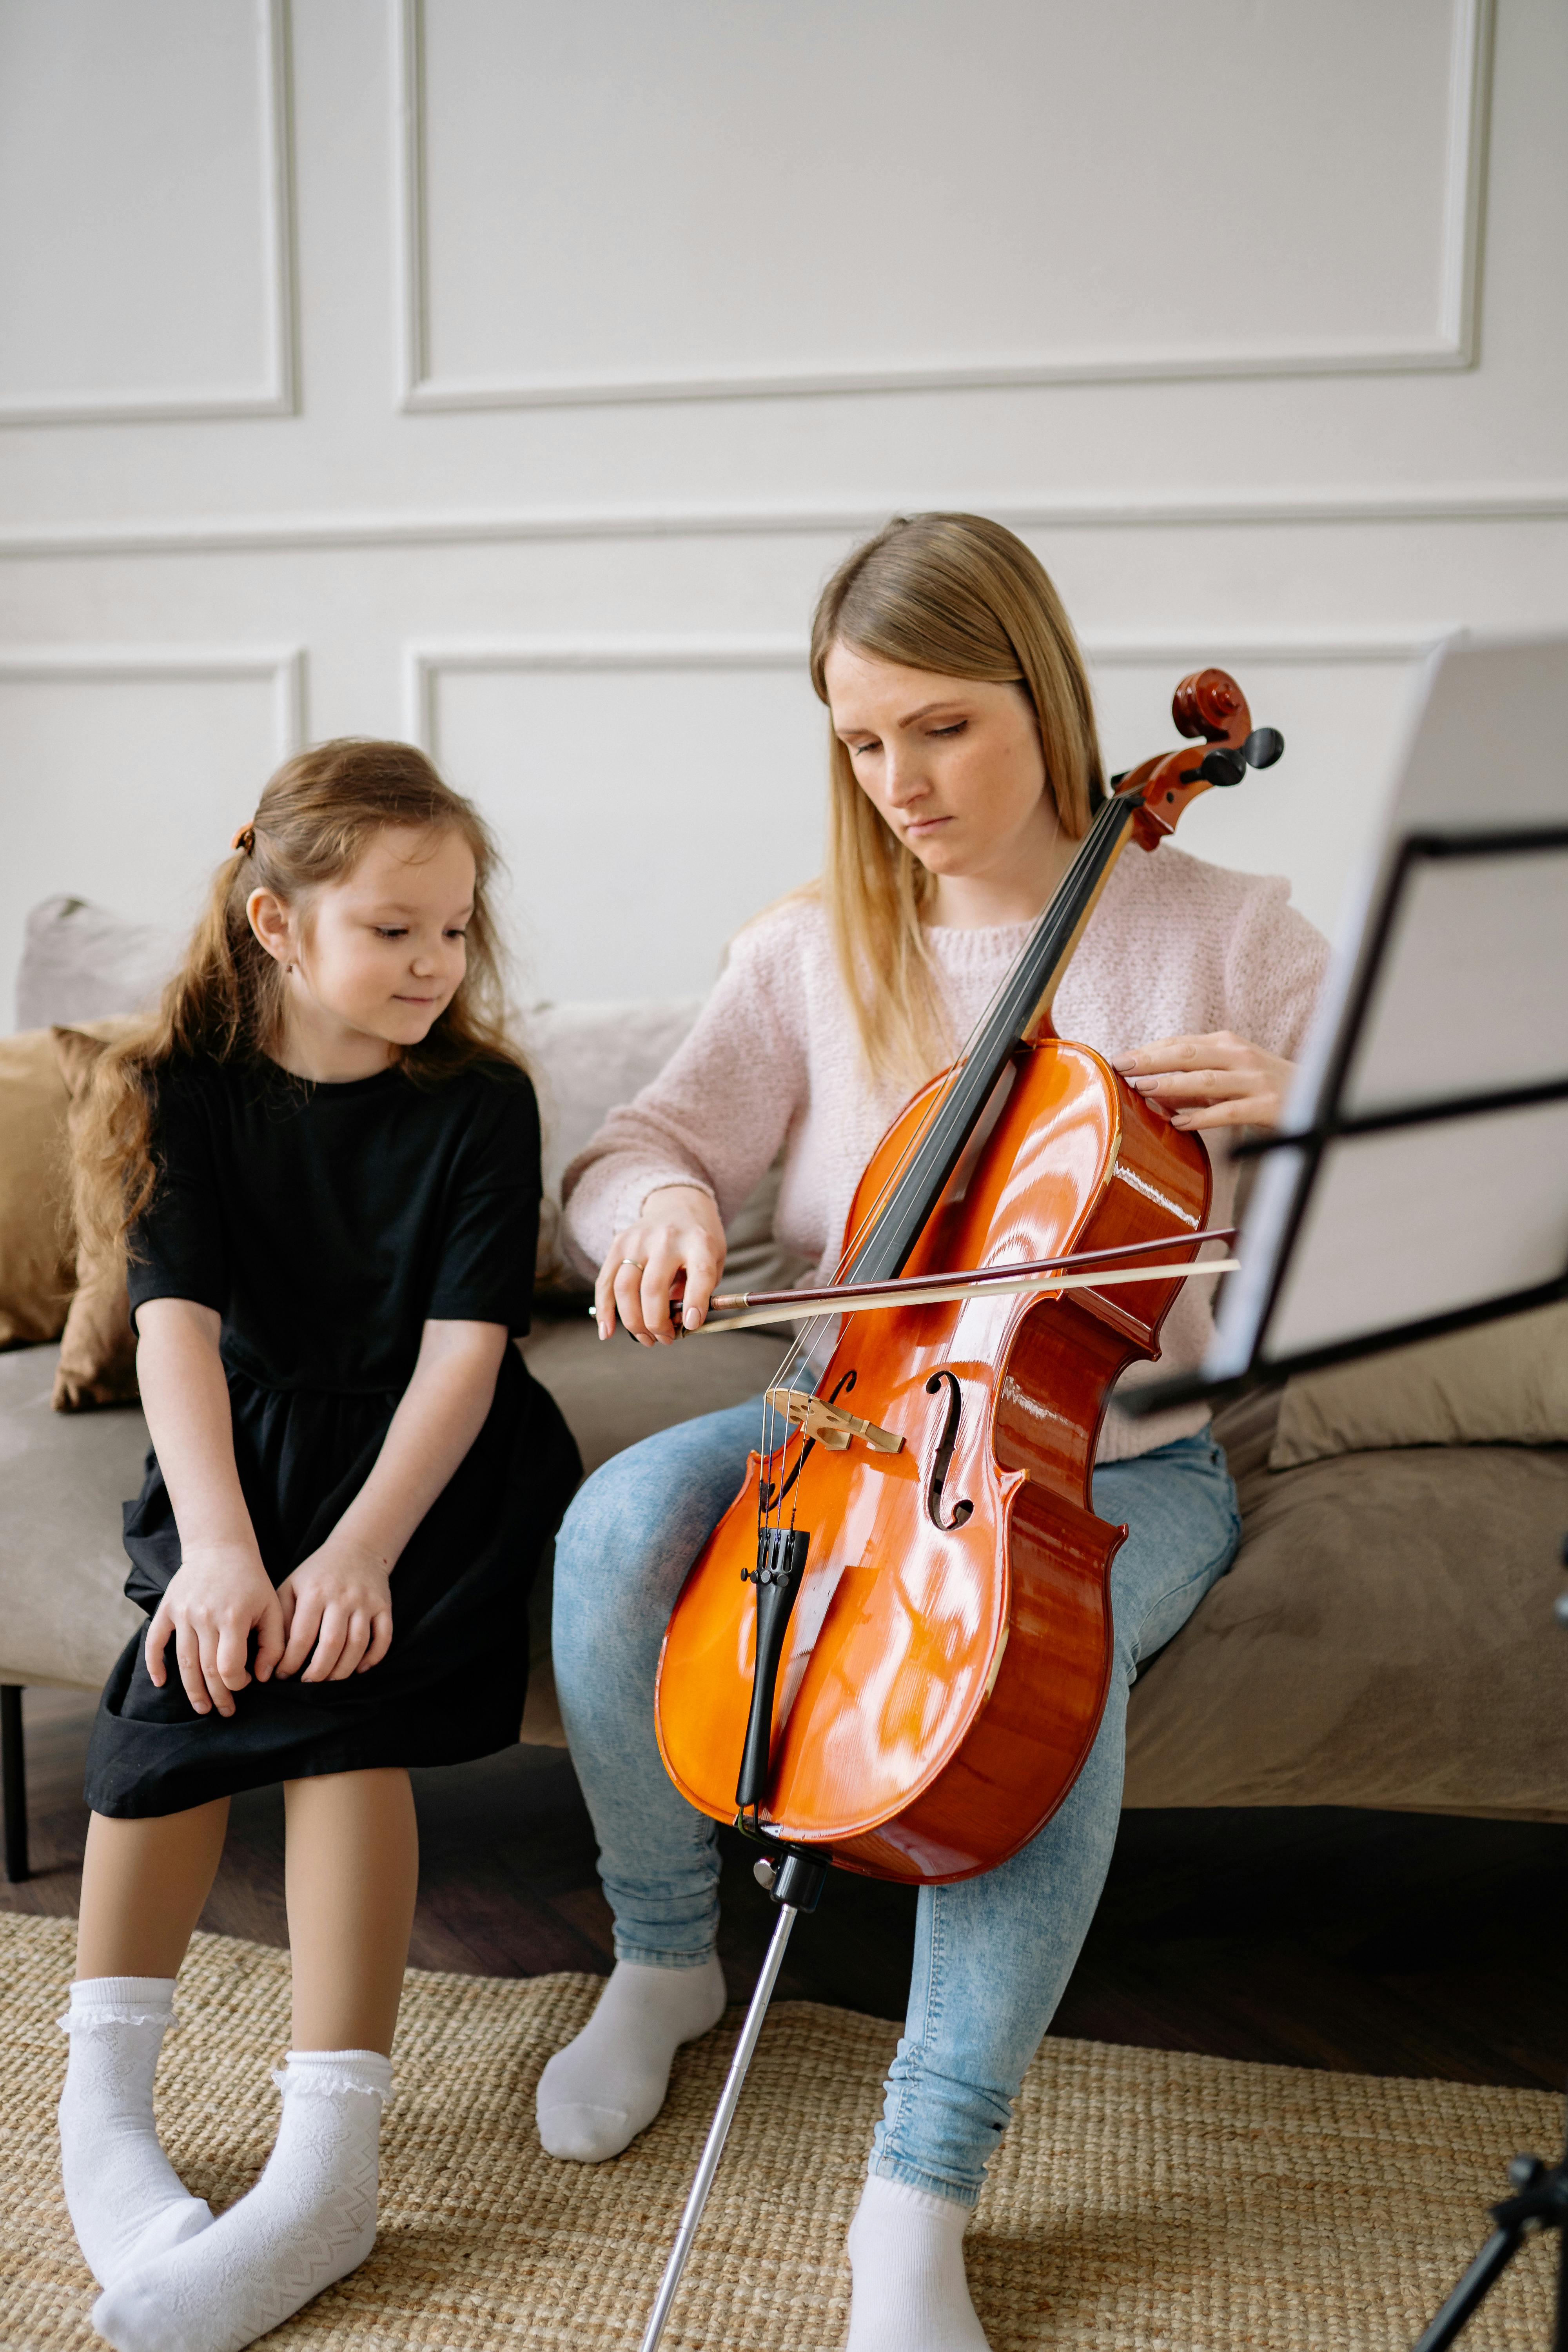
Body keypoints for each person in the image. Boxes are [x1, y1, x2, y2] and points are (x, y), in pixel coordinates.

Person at [539, 515, 1328, 2350]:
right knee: (610, 1534)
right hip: (839, 1420)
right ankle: (662, 1962)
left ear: (1046, 705)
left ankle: (918, 2187)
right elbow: (637, 1149)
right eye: (858, 740)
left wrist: (1318, 1117)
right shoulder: (822, 947)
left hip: (1118, 1454)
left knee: (1027, 1686)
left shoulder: (1229, 934)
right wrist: (650, 1212)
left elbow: (1418, 1215)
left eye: (941, 729)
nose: (896, 782)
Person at [62, 740, 579, 2352]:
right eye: (394, 929)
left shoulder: (482, 1101)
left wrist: (353, 1559)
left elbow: (462, 1358)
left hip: (431, 1473)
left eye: (454, 930)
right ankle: (103, 2111)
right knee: (169, 1699)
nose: (434, 965)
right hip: (248, 1454)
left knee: (341, 1720)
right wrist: (222, 1549)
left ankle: (327, 2169)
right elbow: (173, 1337)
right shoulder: (178, 1091)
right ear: (281, 925)